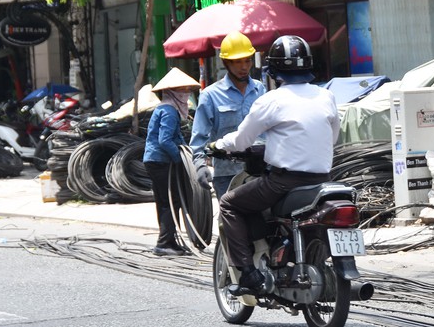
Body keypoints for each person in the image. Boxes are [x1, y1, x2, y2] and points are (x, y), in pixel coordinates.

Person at [210, 35, 340, 295]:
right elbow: (333, 136)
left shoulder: (271, 99)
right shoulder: (326, 96)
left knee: (229, 204)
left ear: (274, 69)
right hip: (323, 180)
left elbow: (242, 139)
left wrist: (219, 145)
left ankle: (248, 275)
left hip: (284, 182)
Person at [190, 31, 266, 199]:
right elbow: (199, 136)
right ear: (225, 62)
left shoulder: (260, 89)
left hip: (261, 172)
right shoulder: (210, 95)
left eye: (247, 60)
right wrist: (200, 164)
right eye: (237, 62)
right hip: (227, 176)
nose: (244, 67)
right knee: (231, 223)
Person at [143, 67, 201, 256]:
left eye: (186, 90)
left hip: (155, 160)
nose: (186, 94)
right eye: (182, 90)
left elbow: (175, 138)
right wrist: (181, 160)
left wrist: (187, 151)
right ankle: (165, 243)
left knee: (164, 201)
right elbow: (165, 140)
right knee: (171, 200)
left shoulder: (165, 108)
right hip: (161, 161)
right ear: (172, 92)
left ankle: (167, 240)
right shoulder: (169, 111)